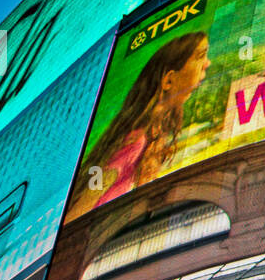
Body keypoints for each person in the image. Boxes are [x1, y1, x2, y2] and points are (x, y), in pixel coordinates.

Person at [67, 31, 211, 219]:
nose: (208, 63)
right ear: (168, 80)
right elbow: (84, 204)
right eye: (200, 56)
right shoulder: (135, 142)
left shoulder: (154, 136)